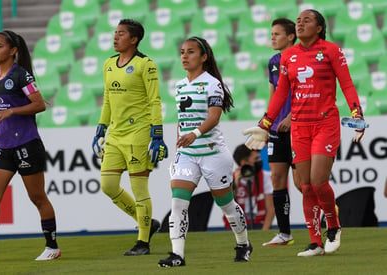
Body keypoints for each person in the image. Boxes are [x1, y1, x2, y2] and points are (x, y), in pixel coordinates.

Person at [243, 9, 365, 257]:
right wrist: (266, 123)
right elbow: (280, 94)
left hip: (324, 123)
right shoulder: (288, 56)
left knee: (319, 181)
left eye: (307, 20)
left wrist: (357, 116)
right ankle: (315, 243)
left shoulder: (331, 50)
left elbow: (347, 84)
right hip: (299, 127)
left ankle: (333, 226)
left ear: (319, 28)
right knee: (306, 186)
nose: (300, 23)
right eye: (298, 20)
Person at [158, 36, 252, 268]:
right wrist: (180, 139)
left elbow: (214, 116)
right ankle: (177, 255)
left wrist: (195, 135)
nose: (184, 56)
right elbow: (183, 119)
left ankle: (243, 243)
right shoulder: (179, 86)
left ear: (203, 57)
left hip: (212, 153)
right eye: (182, 52)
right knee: (178, 203)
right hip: (188, 154)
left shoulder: (212, 84)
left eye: (190, 52)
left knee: (226, 205)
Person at [0, 30, 60, 262]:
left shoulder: (21, 75)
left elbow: (39, 104)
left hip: (26, 144)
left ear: (13, 51)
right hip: (3, 145)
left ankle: (52, 246)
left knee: (37, 197)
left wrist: (12, 111)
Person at [91, 19, 167, 256]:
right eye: (115, 33)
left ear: (134, 40)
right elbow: (107, 99)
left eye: (121, 34)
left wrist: (157, 135)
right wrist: (100, 130)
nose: (115, 37)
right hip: (115, 134)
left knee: (139, 188)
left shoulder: (146, 64)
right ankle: (147, 221)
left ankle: (143, 242)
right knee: (108, 185)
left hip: (139, 133)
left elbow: (155, 100)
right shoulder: (108, 64)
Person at [262, 18, 300, 246]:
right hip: (277, 130)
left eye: (277, 34)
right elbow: (273, 94)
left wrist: (291, 117)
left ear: (291, 36)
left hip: (298, 127)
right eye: (272, 33)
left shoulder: (300, 59)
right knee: (277, 179)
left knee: (301, 184)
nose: (272, 37)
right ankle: (285, 233)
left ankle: (329, 221)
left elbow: (305, 93)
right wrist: (267, 123)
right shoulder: (273, 62)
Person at [223, 144, 274, 231]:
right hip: (236, 226)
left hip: (259, 225)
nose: (260, 161)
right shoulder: (230, 178)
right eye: (256, 159)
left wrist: (264, 232)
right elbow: (226, 207)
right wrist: (235, 185)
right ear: (244, 162)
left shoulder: (264, 176)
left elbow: (271, 209)